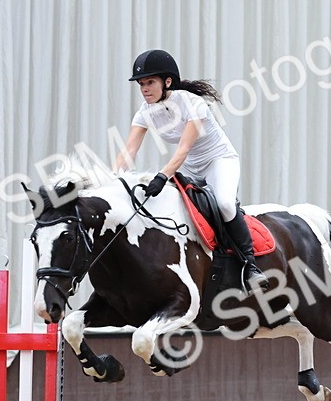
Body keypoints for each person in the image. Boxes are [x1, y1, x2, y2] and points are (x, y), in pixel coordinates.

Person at [115, 49, 269, 293]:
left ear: (167, 82)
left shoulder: (192, 103)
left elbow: (183, 149)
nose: (144, 89)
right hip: (188, 166)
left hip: (218, 160)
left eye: (150, 82)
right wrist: (114, 180)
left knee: (226, 205)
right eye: (141, 84)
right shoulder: (144, 113)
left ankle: (249, 264)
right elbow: (128, 151)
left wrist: (162, 176)